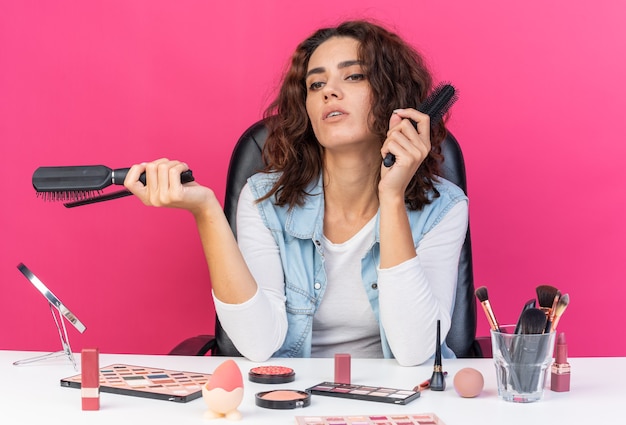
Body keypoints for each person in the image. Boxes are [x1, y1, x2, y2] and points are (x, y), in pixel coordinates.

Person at [125, 19, 468, 366]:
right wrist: (206, 211)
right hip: (294, 397)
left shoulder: (445, 207)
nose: (328, 92)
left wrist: (392, 197)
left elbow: (415, 351)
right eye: (316, 83)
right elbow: (257, 344)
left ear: (393, 95)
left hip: (399, 399)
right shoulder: (264, 199)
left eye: (353, 76)